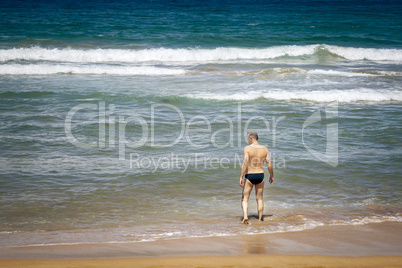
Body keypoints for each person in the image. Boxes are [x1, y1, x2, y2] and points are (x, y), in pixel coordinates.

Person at [239, 132, 274, 224]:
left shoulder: (247, 148)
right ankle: (259, 219)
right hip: (260, 175)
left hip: (250, 175)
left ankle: (245, 217)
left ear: (251, 139)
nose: (248, 141)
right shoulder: (265, 149)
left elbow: (245, 163)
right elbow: (269, 164)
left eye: (248, 139)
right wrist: (271, 175)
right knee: (259, 199)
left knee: (245, 198)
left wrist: (241, 177)